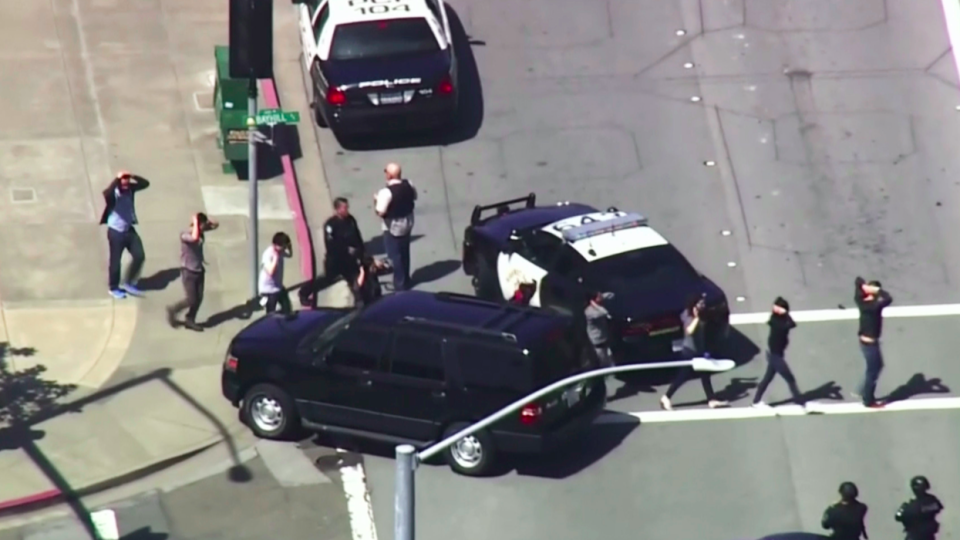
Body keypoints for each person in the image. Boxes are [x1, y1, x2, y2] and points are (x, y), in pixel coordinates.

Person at [660, 294, 729, 410]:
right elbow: (689, 331)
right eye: (700, 304)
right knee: (683, 376)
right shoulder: (687, 315)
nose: (702, 306)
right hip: (689, 351)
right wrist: (697, 318)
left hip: (699, 351)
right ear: (693, 305)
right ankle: (666, 397)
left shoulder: (703, 315)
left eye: (703, 304)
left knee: (705, 375)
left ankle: (711, 399)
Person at [751, 297, 808, 410]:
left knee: (767, 379)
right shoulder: (775, 320)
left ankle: (756, 401)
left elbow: (792, 324)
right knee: (790, 378)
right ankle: (800, 402)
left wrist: (785, 313)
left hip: (776, 355)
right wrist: (784, 313)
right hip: (775, 356)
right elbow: (789, 325)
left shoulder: (780, 319)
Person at [100, 170, 150, 299]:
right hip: (115, 232)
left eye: (128, 180)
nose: (126, 183)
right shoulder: (113, 193)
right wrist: (117, 179)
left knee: (139, 255)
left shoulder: (130, 189)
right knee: (116, 262)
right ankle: (113, 287)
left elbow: (145, 184)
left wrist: (133, 175)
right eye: (124, 180)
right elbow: (107, 193)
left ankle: (129, 282)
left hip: (128, 229)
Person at [167, 212, 218, 331]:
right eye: (202, 226)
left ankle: (190, 319)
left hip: (199, 270)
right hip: (188, 272)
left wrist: (205, 221)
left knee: (199, 298)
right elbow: (194, 238)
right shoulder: (185, 235)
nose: (204, 228)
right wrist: (195, 221)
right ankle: (173, 310)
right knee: (191, 299)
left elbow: (216, 224)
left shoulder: (200, 232)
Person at [374, 162, 417, 292]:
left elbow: (380, 212)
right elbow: (414, 196)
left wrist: (376, 200)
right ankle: (406, 279)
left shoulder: (385, 192)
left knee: (395, 256)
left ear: (390, 175)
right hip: (408, 223)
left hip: (393, 227)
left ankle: (400, 284)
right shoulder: (409, 184)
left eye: (386, 172)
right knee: (405, 252)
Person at [854, 276, 893, 408]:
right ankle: (868, 399)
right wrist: (877, 291)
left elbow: (858, 281)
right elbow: (888, 298)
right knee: (874, 370)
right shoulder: (875, 306)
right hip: (871, 344)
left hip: (864, 342)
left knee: (873, 369)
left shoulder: (860, 300)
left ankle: (862, 391)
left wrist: (867, 288)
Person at [323, 197, 365, 284]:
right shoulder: (331, 225)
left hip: (350, 260)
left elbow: (357, 236)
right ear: (338, 209)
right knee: (327, 281)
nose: (347, 210)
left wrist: (361, 251)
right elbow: (331, 245)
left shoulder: (350, 220)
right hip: (336, 260)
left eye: (347, 207)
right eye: (345, 208)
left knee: (355, 279)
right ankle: (305, 291)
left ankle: (359, 296)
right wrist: (346, 249)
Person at [895, 476, 943, 540]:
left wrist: (904, 507)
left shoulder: (913, 505)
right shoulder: (932, 500)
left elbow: (899, 516)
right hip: (928, 535)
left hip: (916, 535)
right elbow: (938, 507)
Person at [260, 232, 293, 314]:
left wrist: (290, 247)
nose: (285, 248)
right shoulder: (268, 254)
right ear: (276, 245)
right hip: (269, 289)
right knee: (271, 313)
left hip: (278, 286)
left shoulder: (280, 251)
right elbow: (270, 272)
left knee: (287, 307)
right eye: (284, 246)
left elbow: (289, 255)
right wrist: (275, 258)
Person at [585, 291, 615, 369]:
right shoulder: (589, 312)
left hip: (605, 336)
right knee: (602, 360)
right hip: (597, 339)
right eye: (599, 296)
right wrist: (596, 305)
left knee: (610, 357)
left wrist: (602, 296)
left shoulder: (598, 304)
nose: (601, 297)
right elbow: (605, 313)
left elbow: (611, 295)